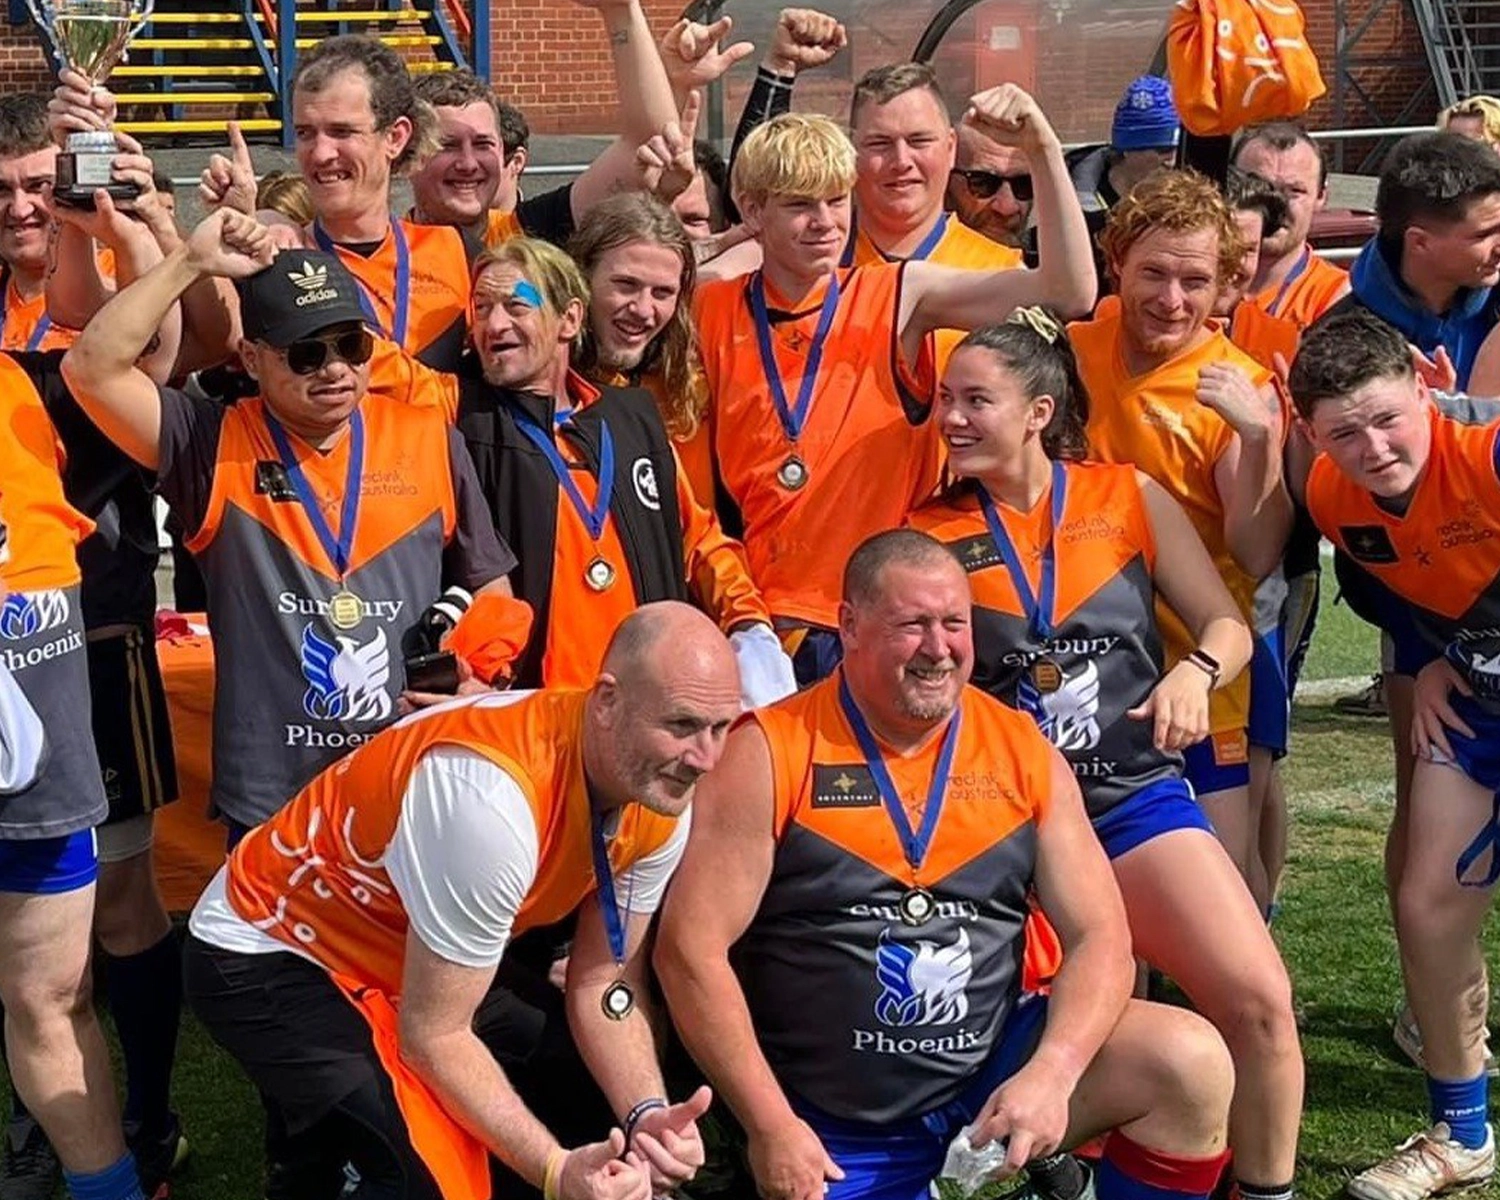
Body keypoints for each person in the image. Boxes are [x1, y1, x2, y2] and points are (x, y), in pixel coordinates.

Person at [655, 529, 1236, 1200]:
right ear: (848, 625)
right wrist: (770, 1124)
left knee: (1187, 1062)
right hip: (832, 1125)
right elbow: (690, 950)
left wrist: (1052, 1072)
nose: (939, 649)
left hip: (987, 1079)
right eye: (912, 625)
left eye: (955, 623)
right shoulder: (771, 752)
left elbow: (1101, 936)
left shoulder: (1022, 749)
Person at [908, 316, 1303, 1200]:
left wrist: (1197, 675)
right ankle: (1064, 1161)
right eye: (946, 400)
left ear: (1039, 410)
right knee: (1027, 1027)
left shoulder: (1128, 496)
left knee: (1262, 1006)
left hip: (1130, 798)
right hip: (1007, 829)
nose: (954, 419)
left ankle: (1266, 1189)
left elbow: (1228, 624)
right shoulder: (929, 535)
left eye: (978, 401)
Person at [185, 602, 739, 1200]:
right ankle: (323, 1164)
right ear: (605, 701)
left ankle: (319, 1157)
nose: (705, 759)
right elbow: (435, 1034)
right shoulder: (489, 798)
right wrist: (555, 1171)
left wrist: (644, 1114)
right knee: (429, 1180)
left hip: (413, 957)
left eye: (721, 727)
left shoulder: (658, 796)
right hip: (273, 949)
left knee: (580, 1092)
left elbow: (601, 982)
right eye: (681, 725)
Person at [60, 207, 528, 838]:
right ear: (252, 359)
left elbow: (490, 587)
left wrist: (478, 676)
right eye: (307, 353)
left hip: (405, 778)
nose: (335, 368)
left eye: (352, 345)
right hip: (271, 800)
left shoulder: (428, 436)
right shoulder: (212, 443)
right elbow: (91, 369)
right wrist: (190, 262)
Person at [695, 99, 1095, 685]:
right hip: (754, 623)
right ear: (753, 210)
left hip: (878, 618)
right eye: (801, 206)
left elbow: (1068, 290)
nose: (826, 223)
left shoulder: (899, 295)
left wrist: (1041, 150)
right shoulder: (712, 305)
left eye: (836, 201)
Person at [1289, 307, 1500, 1200]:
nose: (1373, 445)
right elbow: (1405, 596)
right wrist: (1432, 664)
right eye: (1345, 431)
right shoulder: (1334, 498)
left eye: (1387, 416)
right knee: (1426, 904)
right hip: (1481, 706)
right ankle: (1463, 1132)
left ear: (1425, 386)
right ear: (1310, 434)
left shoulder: (1487, 454)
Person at [1068, 169, 1291, 884]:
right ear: (1117, 264)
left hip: (1199, 667)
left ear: (1226, 284)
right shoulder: (1071, 351)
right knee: (1097, 893)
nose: (1171, 299)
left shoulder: (1236, 387)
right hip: (1084, 669)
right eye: (1153, 273)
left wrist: (1258, 442)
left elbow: (1256, 553)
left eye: (1194, 281)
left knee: (1221, 885)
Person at [455, 235, 794, 702]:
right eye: (480, 308)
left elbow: (699, 541)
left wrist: (749, 623)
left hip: (646, 704)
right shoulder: (457, 412)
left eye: (517, 306)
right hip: (535, 708)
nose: (494, 323)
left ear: (570, 318)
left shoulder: (634, 418)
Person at [0, 350, 143, 1200]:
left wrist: (178, 255)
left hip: (36, 765)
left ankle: (110, 1190)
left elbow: (135, 352)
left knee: (51, 995)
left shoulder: (28, 381)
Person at [409, 63, 688, 251]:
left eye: (483, 144)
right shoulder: (382, 249)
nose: (468, 163)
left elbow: (646, 140)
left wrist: (623, 12)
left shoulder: (534, 232)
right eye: (448, 145)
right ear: (409, 155)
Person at [570, 192, 717, 500]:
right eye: (626, 285)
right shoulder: (541, 383)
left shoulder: (683, 390)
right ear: (581, 277)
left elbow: (698, 530)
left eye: (662, 292)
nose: (643, 309)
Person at [1230, 122, 1350, 331]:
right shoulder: (1189, 282)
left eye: (1294, 191)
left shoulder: (1338, 299)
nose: (1276, 206)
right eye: (1259, 187)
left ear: (1321, 196)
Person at [1067, 76, 1181, 292]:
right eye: (1163, 149)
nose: (1172, 160)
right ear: (1128, 149)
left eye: (1178, 149)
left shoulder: (1192, 204)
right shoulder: (1069, 207)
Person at [947, 120, 1034, 251]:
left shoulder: (1053, 261)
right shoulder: (912, 266)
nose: (1007, 207)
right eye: (983, 183)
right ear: (945, 179)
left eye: (1024, 184)